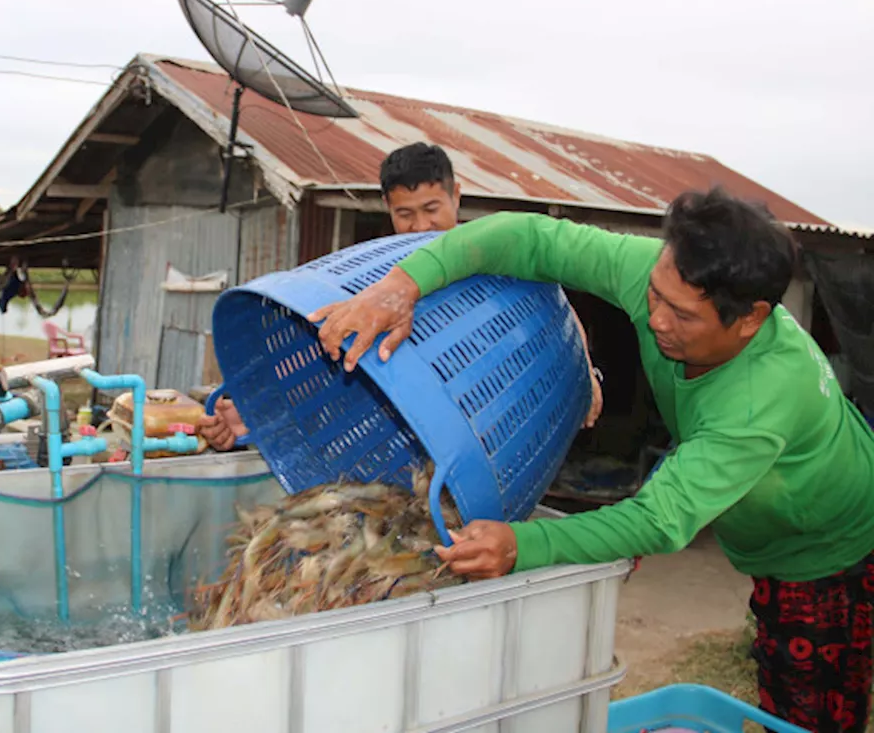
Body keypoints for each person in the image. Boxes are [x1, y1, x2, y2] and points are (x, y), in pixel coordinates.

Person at [309, 187, 874, 733]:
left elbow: (660, 520)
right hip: (763, 509)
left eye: (681, 315)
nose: (656, 320)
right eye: (655, 295)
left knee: (807, 703)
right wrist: (401, 286)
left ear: (749, 319)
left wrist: (523, 544)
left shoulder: (761, 398)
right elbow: (528, 237)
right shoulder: (664, 277)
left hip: (829, 545)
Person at [196, 142, 603, 450]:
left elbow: (551, 306)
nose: (420, 226)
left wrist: (587, 370)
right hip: (396, 446)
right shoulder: (371, 283)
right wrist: (252, 416)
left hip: (484, 439)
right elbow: (321, 358)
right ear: (387, 208)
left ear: (456, 196)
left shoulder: (492, 257)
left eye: (432, 208)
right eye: (404, 214)